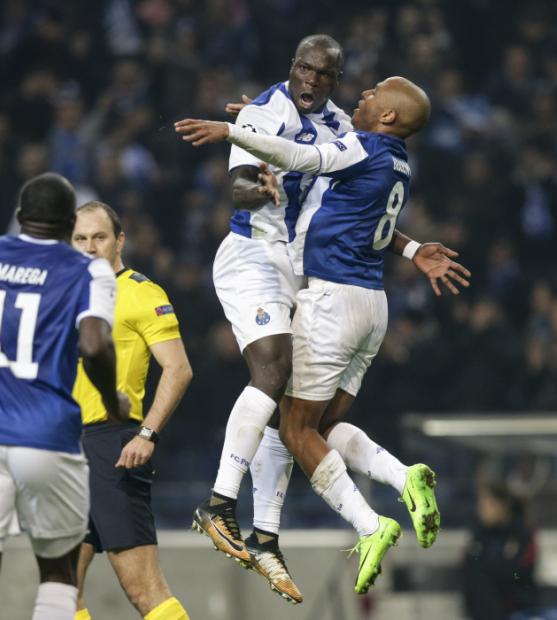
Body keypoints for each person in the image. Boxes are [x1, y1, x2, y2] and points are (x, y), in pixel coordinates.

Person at [191, 33, 467, 604]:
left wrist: (236, 131)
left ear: (338, 83)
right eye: (305, 69)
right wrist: (253, 167)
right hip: (263, 260)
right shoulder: (269, 110)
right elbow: (241, 184)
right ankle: (230, 509)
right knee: (275, 379)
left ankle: (269, 528)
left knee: (296, 425)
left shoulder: (346, 128)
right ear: (293, 66)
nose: (315, 81)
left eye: (330, 75)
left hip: (322, 288)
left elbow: (315, 165)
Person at [0, 173, 126, 620]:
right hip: (47, 434)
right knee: (59, 573)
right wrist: (111, 399)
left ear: (20, 218)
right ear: (69, 225)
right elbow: (94, 345)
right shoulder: (87, 269)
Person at [70, 202, 193, 620]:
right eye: (80, 238)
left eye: (99, 237)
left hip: (112, 445)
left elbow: (178, 369)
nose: (89, 247)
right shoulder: (66, 295)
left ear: (119, 240)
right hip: (66, 450)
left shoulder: (142, 292)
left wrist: (148, 433)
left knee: (144, 589)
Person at [461, 483, 539, 620]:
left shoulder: (521, 533)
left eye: (487, 505)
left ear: (502, 506)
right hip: (482, 606)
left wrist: (491, 568)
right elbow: (468, 565)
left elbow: (517, 572)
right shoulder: (480, 534)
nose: (481, 510)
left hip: (515, 605)